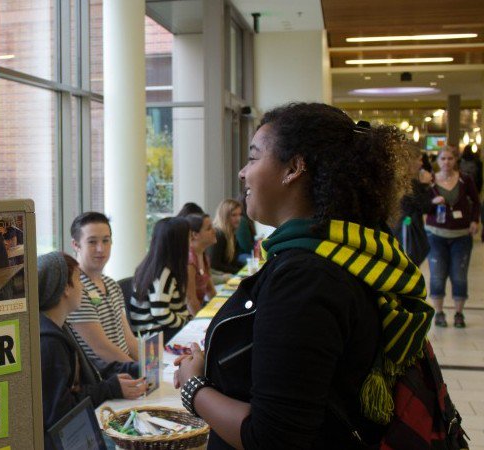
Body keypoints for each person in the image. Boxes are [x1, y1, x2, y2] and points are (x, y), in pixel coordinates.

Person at [174, 103, 434, 449]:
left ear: (294, 168)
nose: (242, 172)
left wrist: (194, 388)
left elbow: (272, 437)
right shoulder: (350, 252)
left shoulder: (305, 279)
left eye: (253, 158)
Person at [38, 251, 147, 448]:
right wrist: (109, 388)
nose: (83, 288)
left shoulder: (60, 326)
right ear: (65, 289)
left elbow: (92, 371)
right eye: (78, 280)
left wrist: (133, 370)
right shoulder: (49, 343)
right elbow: (61, 413)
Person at [67, 212, 140, 371]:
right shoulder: (75, 289)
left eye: (106, 241)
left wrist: (154, 367)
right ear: (76, 245)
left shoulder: (112, 285)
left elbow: (128, 339)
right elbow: (101, 348)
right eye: (92, 242)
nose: (101, 249)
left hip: (125, 370)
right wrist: (140, 371)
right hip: (105, 380)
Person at [425, 146, 480, 328]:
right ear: (438, 161)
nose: (446, 162)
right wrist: (432, 202)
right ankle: (439, 312)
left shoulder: (465, 179)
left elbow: (476, 202)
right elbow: (422, 205)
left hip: (461, 235)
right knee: (437, 275)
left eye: (450, 158)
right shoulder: (431, 181)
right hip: (436, 235)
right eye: (443, 159)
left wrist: (474, 220)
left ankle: (459, 313)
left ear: (455, 160)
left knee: (459, 275)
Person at [129, 217, 191, 343]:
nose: (191, 240)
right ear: (179, 243)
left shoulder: (158, 267)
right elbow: (160, 313)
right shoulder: (163, 274)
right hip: (154, 336)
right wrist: (185, 321)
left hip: (161, 330)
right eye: (189, 237)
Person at [396, 144, 434, 266]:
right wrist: (425, 185)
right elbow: (424, 206)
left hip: (402, 225)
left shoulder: (403, 180)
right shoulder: (408, 183)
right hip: (406, 225)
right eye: (419, 159)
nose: (422, 163)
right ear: (410, 160)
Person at [184, 213, 217, 310]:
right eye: (209, 228)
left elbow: (210, 290)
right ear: (195, 235)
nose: (214, 231)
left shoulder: (203, 256)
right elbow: (191, 301)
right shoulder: (189, 260)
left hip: (200, 309)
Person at [207, 199, 245, 274]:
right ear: (225, 216)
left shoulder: (231, 235)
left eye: (239, 214)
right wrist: (239, 272)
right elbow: (215, 265)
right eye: (234, 215)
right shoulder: (218, 235)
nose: (238, 219)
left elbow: (232, 262)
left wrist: (244, 269)